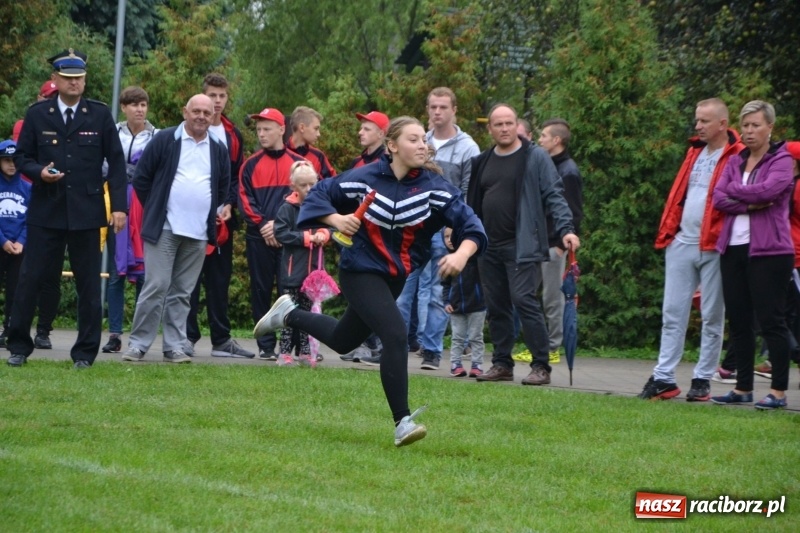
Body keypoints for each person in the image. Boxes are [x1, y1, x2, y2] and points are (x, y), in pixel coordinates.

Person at [254, 116, 487, 447]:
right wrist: (337, 219)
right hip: (359, 271)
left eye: (424, 139)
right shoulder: (363, 178)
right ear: (392, 146)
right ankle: (402, 422)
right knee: (395, 335)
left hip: (395, 277)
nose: (422, 145)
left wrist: (462, 254)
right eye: (413, 139)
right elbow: (318, 194)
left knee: (343, 340)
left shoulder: (435, 189)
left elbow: (473, 226)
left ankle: (288, 314)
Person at [7, 49, 127, 369]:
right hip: (46, 210)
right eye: (68, 78)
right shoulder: (38, 114)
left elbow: (116, 163)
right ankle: (18, 346)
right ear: (55, 79)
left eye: (79, 78)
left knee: (88, 285)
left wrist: (119, 207)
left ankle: (85, 353)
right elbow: (21, 158)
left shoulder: (99, 114)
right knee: (30, 279)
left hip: (87, 212)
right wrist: (39, 172)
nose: (75, 83)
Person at [637, 99, 744, 401]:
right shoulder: (694, 151)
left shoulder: (737, 155)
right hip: (682, 241)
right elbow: (680, 195)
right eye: (697, 120)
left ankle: (702, 379)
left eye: (704, 121)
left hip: (714, 244)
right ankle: (663, 378)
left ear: (722, 124)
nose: (698, 126)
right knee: (672, 313)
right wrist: (670, 233)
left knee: (712, 315)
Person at [468, 103, 579, 385]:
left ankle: (541, 366)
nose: (505, 128)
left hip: (523, 245)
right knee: (496, 307)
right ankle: (502, 364)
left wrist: (566, 230)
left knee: (523, 300)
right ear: (490, 128)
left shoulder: (535, 156)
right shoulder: (482, 161)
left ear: (517, 125)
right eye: (498, 124)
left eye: (509, 123)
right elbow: (472, 204)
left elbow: (555, 194)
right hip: (488, 246)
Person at [121, 94, 230, 364]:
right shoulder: (165, 139)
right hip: (165, 228)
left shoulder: (218, 148)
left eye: (207, 112)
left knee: (183, 292)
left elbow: (222, 187)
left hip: (198, 232)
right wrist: (158, 207)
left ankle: (174, 347)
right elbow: (142, 178)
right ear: (185, 112)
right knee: (156, 286)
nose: (201, 116)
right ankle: (138, 344)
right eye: (196, 111)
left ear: (212, 116)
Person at [710, 100, 794, 410]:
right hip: (732, 249)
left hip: (770, 251)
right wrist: (748, 204)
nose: (748, 131)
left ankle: (778, 392)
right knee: (739, 321)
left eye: (755, 125)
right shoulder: (735, 161)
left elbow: (769, 191)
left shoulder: (782, 161)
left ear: (770, 127)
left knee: (772, 322)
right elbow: (718, 197)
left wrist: (735, 191)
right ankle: (742, 387)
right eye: (745, 125)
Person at [396, 87, 480, 371]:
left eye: (443, 107)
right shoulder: (420, 140)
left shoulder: (468, 147)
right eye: (433, 107)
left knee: (437, 291)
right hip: (416, 225)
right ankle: (396, 344)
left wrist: (454, 227)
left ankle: (432, 350)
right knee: (403, 285)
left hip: (446, 227)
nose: (437, 112)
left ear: (454, 110)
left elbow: (468, 191)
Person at [183, 73, 253, 358]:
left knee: (219, 281)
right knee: (188, 281)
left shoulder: (233, 134)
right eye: (212, 95)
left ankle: (221, 341)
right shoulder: (183, 132)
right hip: (189, 220)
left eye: (222, 96)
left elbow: (237, 176)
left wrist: (229, 204)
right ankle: (186, 337)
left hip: (221, 221)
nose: (217, 101)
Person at [239, 107, 307, 360]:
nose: (261, 134)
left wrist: (278, 226)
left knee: (292, 291)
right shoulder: (250, 165)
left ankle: (295, 345)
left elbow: (309, 197)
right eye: (258, 129)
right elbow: (244, 199)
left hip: (290, 238)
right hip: (259, 237)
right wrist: (263, 225)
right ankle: (266, 346)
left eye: (267, 129)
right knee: (261, 289)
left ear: (281, 129)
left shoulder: (299, 164)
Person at [101, 86, 157, 353]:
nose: (139, 109)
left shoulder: (157, 136)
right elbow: (102, 165)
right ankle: (114, 335)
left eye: (143, 104)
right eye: (134, 104)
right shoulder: (112, 132)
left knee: (144, 274)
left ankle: (139, 336)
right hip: (115, 205)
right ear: (124, 107)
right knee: (116, 273)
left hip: (145, 208)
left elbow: (159, 170)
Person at [527, 118, 584, 365]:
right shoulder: (546, 165)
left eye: (543, 136)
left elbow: (573, 211)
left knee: (552, 298)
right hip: (538, 243)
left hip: (554, 245)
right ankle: (538, 345)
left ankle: (553, 347)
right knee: (528, 295)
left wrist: (562, 245)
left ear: (556, 140)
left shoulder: (568, 171)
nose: (539, 140)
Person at [12, 79, 63, 351]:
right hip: (24, 200)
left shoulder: (68, 122)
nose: (51, 101)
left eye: (55, 96)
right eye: (48, 96)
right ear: (39, 97)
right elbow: (21, 158)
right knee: (25, 274)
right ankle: (13, 327)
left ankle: (44, 330)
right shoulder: (27, 122)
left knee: (51, 275)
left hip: (53, 203)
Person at [339, 110, 390, 365]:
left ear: (382, 133)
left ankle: (377, 344)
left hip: (378, 239)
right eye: (361, 128)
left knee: (376, 292)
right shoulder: (356, 163)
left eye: (367, 128)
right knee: (356, 293)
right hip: (355, 236)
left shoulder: (388, 163)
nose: (360, 132)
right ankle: (362, 343)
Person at [274, 161, 330, 366]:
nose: (308, 189)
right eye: (303, 185)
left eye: (312, 184)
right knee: (289, 314)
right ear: (293, 186)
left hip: (313, 274)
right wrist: (307, 238)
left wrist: (324, 234)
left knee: (309, 316)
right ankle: (284, 353)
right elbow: (281, 233)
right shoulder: (287, 208)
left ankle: (306, 353)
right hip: (292, 273)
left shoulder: (320, 206)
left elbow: (330, 226)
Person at [441, 226, 485, 378]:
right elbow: (445, 285)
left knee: (476, 337)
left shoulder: (476, 259)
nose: (449, 240)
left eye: (452, 236)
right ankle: (456, 364)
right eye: (446, 237)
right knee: (457, 337)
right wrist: (446, 301)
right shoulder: (448, 261)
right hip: (456, 306)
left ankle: (477, 364)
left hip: (477, 305)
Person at [0, 140, 31, 347]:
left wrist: (21, 241)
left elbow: (32, 218)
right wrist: (2, 241)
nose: (11, 164)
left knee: (15, 291)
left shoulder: (28, 188)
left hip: (19, 248)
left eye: (14, 160)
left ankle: (9, 329)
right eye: (6, 160)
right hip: (1, 243)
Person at [286, 106, 336, 179]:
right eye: (316, 128)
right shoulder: (282, 155)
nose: (319, 134)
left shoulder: (319, 156)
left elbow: (333, 183)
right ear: (302, 127)